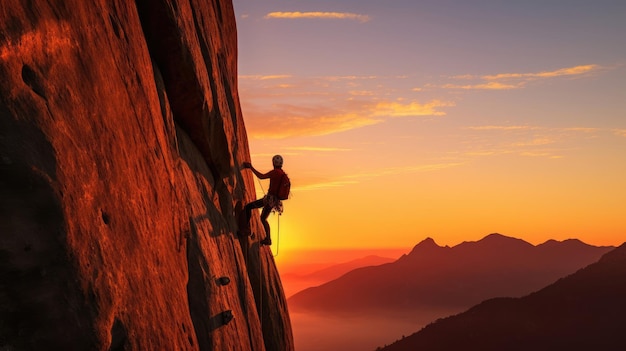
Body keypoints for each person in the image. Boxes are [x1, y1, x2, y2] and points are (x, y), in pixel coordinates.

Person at [242, 155, 286, 246]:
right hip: (275, 200)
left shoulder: (275, 172)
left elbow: (261, 176)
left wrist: (251, 167)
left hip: (269, 199)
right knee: (263, 218)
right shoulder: (282, 173)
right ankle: (268, 239)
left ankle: (246, 229)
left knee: (248, 207)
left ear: (273, 163)